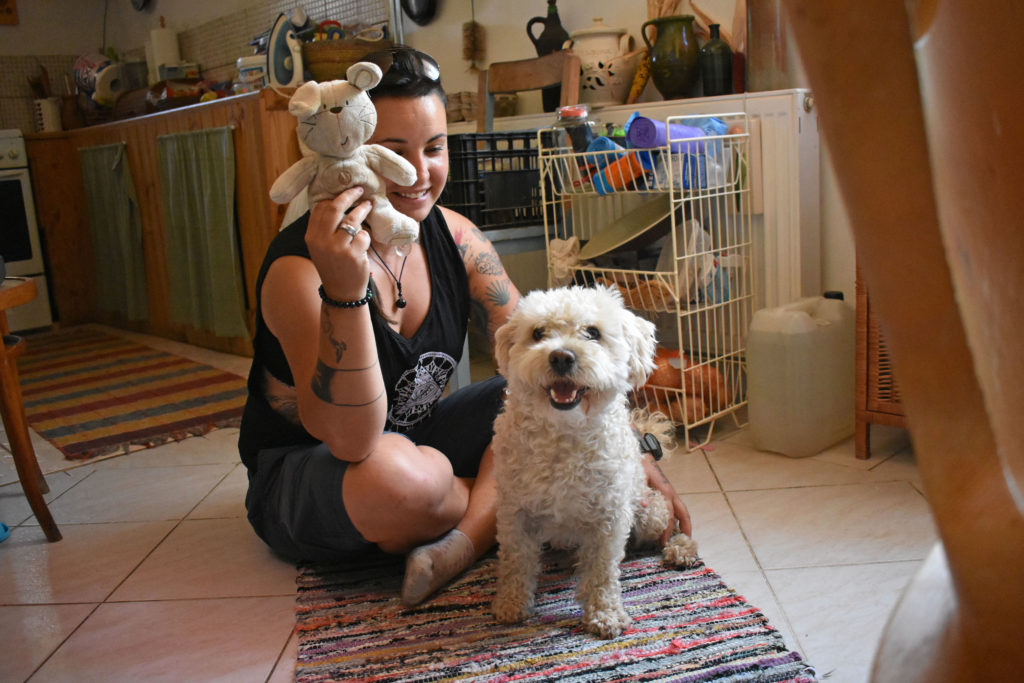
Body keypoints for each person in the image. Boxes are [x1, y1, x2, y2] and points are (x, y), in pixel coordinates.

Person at [239, 46, 692, 605]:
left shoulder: (457, 237)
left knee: (528, 390)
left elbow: (543, 354)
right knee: (400, 479)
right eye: (393, 153)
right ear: (351, 151)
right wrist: (344, 290)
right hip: (316, 472)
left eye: (434, 148)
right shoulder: (299, 271)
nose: (419, 173)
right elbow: (353, 440)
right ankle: (499, 517)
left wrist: (630, 459)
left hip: (424, 442)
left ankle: (460, 540)